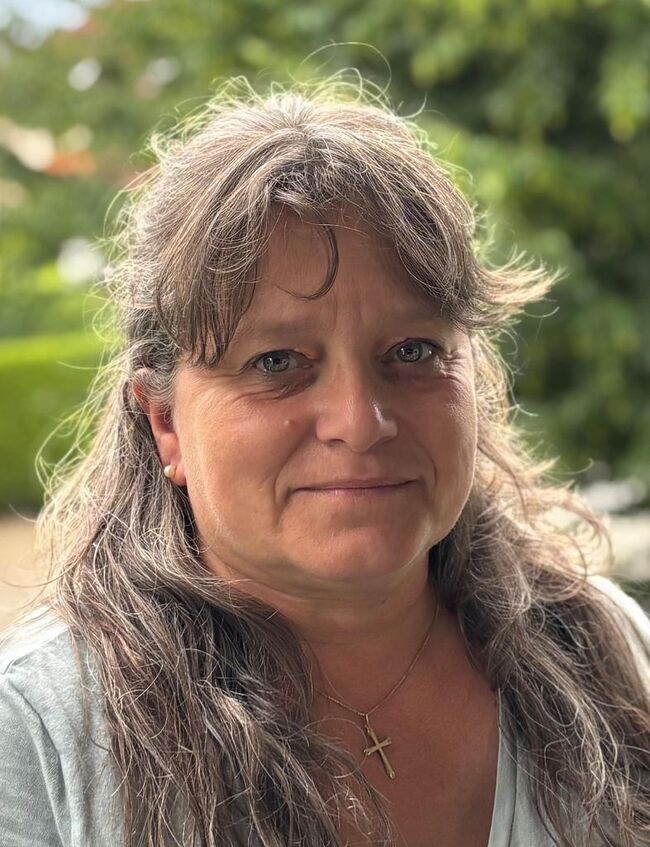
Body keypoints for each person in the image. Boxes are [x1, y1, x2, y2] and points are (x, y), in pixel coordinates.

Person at [1, 74, 648, 847]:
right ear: (165, 422)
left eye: (413, 351)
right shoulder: (38, 733)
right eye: (278, 362)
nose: (360, 422)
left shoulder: (606, 649)